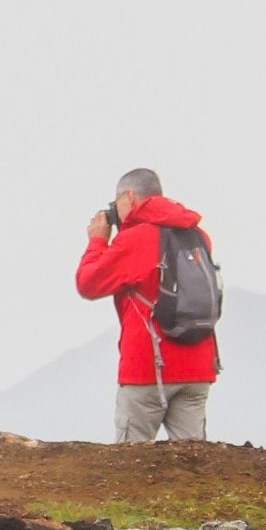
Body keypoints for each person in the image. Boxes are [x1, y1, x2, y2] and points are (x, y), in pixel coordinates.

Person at [77, 167, 219, 442]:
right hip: (199, 366)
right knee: (193, 467)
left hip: (149, 368)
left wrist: (97, 240)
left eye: (116, 201)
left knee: (132, 469)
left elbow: (88, 283)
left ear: (129, 196)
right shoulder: (199, 235)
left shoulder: (136, 239)